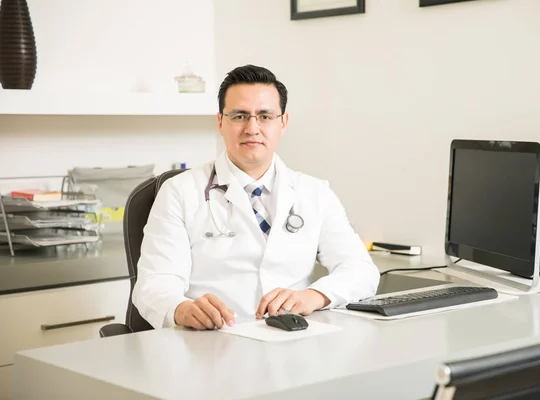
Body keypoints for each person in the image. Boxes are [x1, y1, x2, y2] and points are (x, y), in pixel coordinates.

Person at [132, 65, 380, 330]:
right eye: (239, 116)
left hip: (292, 345)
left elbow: (360, 270)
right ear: (220, 122)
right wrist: (180, 309)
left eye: (264, 116)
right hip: (211, 345)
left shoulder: (314, 192)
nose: (252, 128)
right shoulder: (180, 192)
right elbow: (154, 282)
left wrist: (312, 297)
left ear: (282, 123)